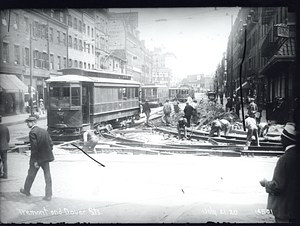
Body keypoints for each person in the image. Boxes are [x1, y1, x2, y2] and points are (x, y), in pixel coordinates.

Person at [259, 122, 298, 223]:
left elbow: (277, 186)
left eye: (282, 137)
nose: (281, 140)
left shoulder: (284, 159)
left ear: (286, 139)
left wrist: (265, 183)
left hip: (284, 209)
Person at [20, 116, 54, 201]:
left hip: (37, 158)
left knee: (31, 174)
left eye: (28, 122)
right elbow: (51, 143)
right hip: (46, 158)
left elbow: (34, 147)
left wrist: (35, 160)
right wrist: (46, 152)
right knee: (47, 176)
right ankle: (48, 195)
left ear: (33, 123)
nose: (27, 124)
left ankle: (26, 190)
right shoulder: (44, 131)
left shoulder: (32, 132)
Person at [0, 115, 10, 179]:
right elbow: (8, 138)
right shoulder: (5, 127)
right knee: (4, 161)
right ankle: (5, 174)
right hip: (4, 147)